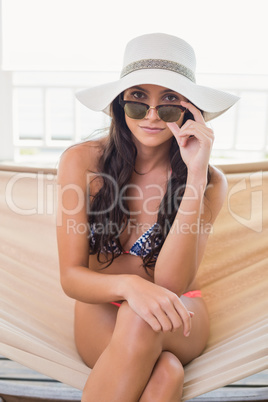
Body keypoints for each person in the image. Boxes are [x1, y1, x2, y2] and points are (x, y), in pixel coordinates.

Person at [56, 33, 239, 401]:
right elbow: (72, 277)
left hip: (179, 309)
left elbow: (170, 283)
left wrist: (196, 177)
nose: (153, 116)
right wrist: (131, 286)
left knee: (140, 318)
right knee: (165, 374)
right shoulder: (82, 163)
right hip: (102, 309)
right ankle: (163, 371)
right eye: (138, 100)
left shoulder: (210, 182)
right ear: (119, 106)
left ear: (190, 112)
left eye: (169, 102)